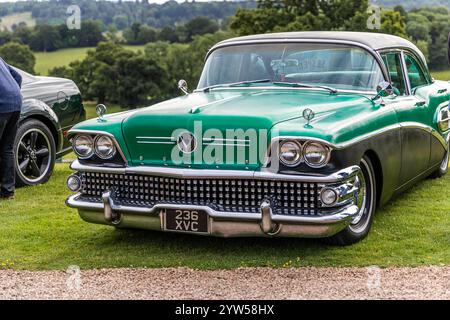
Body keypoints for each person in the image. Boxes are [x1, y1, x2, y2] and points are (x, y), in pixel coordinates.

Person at [0, 57, 22, 200]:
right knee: (7, 148)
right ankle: (8, 192)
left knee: (6, 148)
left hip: (1, 106)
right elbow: (18, 76)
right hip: (16, 102)